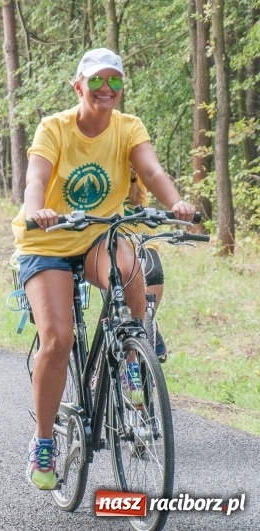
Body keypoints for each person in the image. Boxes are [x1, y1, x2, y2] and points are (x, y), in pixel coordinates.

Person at [11, 48, 196, 490]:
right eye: (96, 81)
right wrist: (37, 209)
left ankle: (132, 356)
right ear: (79, 86)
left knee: (132, 271)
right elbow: (36, 177)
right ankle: (43, 444)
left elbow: (149, 170)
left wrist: (176, 203)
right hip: (47, 239)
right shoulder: (54, 127)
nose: (106, 88)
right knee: (57, 339)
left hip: (97, 235)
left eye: (114, 80)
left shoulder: (129, 127)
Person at [125, 177, 168, 360]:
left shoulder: (136, 159)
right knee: (117, 302)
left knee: (154, 273)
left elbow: (154, 174)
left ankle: (148, 323)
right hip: (112, 240)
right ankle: (100, 372)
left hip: (142, 237)